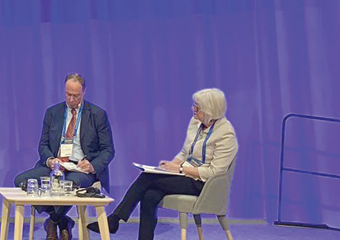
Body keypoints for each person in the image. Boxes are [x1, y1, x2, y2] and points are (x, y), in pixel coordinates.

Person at [89, 88, 238, 240]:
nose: (193, 109)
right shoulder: (196, 123)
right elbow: (186, 152)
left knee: (147, 178)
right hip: (186, 175)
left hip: (204, 185)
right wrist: (171, 166)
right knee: (150, 195)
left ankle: (114, 219)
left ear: (209, 110)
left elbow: (214, 172)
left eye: (197, 107)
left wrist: (180, 169)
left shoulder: (225, 134)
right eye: (194, 105)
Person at [14, 74, 115, 240]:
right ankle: (63, 221)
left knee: (69, 185)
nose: (72, 99)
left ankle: (53, 222)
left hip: (81, 169)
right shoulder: (53, 112)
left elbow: (108, 150)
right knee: (22, 181)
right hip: (56, 166)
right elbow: (43, 145)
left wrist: (92, 165)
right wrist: (50, 160)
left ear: (84, 92)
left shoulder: (97, 114)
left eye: (76, 95)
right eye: (68, 94)